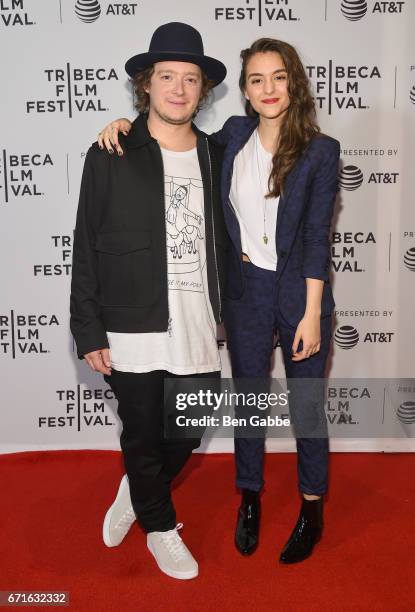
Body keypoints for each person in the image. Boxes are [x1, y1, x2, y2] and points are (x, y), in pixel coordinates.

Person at [97, 37, 340, 564]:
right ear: (245, 93)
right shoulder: (231, 137)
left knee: (307, 410)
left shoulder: (322, 150)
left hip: (302, 292)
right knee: (250, 409)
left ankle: (311, 508)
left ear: (293, 83)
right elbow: (167, 133)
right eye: (256, 80)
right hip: (246, 291)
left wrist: (313, 310)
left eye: (279, 77)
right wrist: (121, 126)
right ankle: (249, 499)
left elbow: (319, 234)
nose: (269, 88)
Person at [70, 22, 228, 580]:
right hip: (130, 325)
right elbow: (86, 243)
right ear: (146, 85)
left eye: (190, 79)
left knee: (189, 425)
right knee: (141, 431)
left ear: (203, 90)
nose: (179, 89)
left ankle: (135, 491)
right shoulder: (111, 151)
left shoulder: (220, 153)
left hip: (197, 321)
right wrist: (87, 330)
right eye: (167, 77)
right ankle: (160, 527)